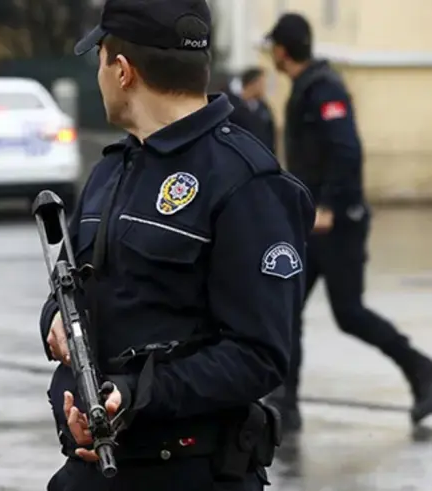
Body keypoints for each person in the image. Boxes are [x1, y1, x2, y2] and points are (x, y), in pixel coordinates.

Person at [41, 0, 315, 489]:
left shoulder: (246, 182)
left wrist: (136, 394)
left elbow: (260, 355)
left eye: (100, 60)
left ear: (121, 70)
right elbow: (70, 289)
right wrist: (56, 322)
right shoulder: (110, 171)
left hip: (191, 473)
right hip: (94, 470)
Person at [266, 12, 432, 432]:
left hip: (336, 225)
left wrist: (329, 206)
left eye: (273, 48)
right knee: (287, 309)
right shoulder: (307, 86)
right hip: (311, 224)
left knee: (349, 313)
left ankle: (422, 371)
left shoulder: (324, 89)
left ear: (282, 51)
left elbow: (346, 150)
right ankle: (285, 404)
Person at [239, 68, 276, 154]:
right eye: (262, 83)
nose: (264, 87)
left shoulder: (264, 107)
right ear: (253, 84)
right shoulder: (235, 107)